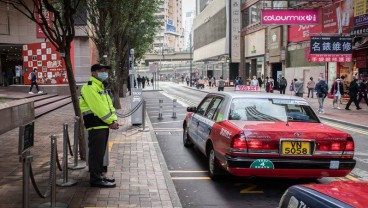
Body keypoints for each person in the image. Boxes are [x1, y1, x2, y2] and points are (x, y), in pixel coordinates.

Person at [79, 64, 119, 188]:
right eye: (101, 71)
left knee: (100, 153)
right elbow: (99, 108)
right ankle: (95, 179)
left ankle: (100, 175)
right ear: (94, 73)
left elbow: (109, 106)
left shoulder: (101, 87)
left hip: (102, 124)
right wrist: (111, 122)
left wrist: (113, 119)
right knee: (96, 154)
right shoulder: (89, 87)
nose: (105, 73)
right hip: (96, 125)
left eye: (106, 71)